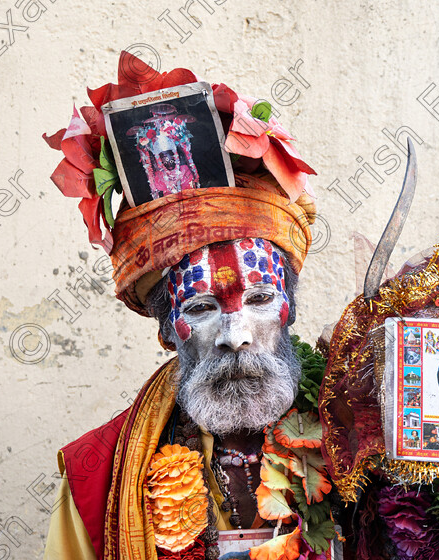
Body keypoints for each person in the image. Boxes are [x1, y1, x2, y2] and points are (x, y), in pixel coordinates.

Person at [41, 52, 332, 560]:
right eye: (201, 307)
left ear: (289, 311)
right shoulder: (97, 475)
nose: (236, 332)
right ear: (166, 332)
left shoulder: (358, 450)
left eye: (260, 298)